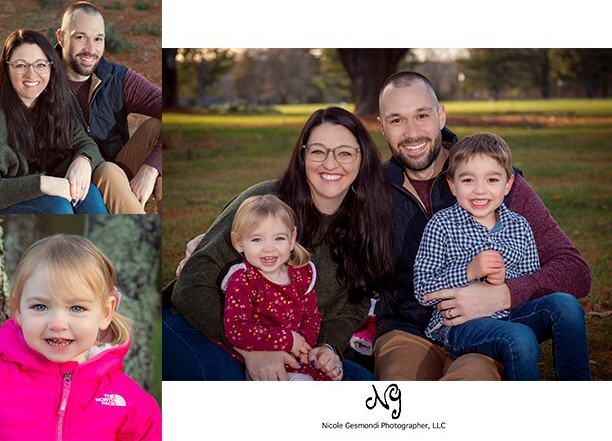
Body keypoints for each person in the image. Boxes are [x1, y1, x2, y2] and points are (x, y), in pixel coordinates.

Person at [373, 71, 592, 380]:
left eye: (421, 115)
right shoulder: (372, 191)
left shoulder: (495, 180)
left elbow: (575, 272)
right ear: (382, 127)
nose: (411, 133)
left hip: (488, 327)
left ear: (441, 115)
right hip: (405, 330)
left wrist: (502, 294)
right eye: (397, 120)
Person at [162, 106, 394, 381]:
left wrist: (329, 346)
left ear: (362, 158)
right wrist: (251, 349)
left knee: (365, 384)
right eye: (318, 151)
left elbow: (355, 302)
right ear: (303, 155)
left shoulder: (367, 221)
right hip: (204, 327)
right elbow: (192, 283)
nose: (331, 164)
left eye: (344, 152)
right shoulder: (266, 203)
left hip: (294, 351)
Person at [0, 1, 162, 213]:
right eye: (80, 37)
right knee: (96, 181)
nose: (90, 49)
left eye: (98, 39)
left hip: (85, 168)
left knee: (156, 132)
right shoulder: (36, 83)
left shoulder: (114, 79)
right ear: (61, 38)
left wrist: (150, 169)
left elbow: (83, 140)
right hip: (55, 177)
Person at [0, 235, 161, 440]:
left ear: (105, 313)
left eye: (76, 308)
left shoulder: (127, 399)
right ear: (18, 309)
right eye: (40, 306)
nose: (57, 324)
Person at [414, 132, 590, 380]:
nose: (480, 190)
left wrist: (507, 283)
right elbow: (423, 289)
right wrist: (468, 271)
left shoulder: (519, 226)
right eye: (468, 181)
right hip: (460, 327)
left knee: (567, 306)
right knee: (520, 336)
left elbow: (532, 280)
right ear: (452, 185)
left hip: (512, 314)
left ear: (508, 184)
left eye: (492, 180)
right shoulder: (441, 225)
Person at [0, 29, 107, 214]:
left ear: (51, 67)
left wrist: (84, 159)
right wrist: (43, 183)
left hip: (23, 195)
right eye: (20, 65)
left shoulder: (55, 104)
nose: (31, 74)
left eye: (40, 64)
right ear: (7, 68)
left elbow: (85, 142)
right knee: (56, 206)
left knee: (87, 193)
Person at [224, 195, 331, 381]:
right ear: (239, 242)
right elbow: (236, 329)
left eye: (279, 238)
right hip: (263, 363)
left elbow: (312, 316)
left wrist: (303, 346)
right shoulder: (243, 279)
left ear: (292, 239)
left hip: (298, 359)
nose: (269, 249)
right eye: (257, 240)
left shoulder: (301, 275)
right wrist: (287, 340)